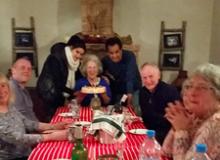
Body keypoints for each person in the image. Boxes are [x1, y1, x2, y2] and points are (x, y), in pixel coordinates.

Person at [0, 73, 68, 160]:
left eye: (3, 86)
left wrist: (54, 126)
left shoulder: (10, 106)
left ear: (8, 88)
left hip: (27, 153)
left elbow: (28, 123)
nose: (1, 91)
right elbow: (18, 138)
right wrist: (52, 136)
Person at [162, 63, 220, 160]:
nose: (192, 93)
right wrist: (176, 126)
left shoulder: (216, 123)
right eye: (189, 86)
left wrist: (181, 130)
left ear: (217, 95)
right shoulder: (197, 116)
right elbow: (166, 151)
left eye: (202, 87)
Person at [37, 35, 86, 121]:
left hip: (59, 95)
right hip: (49, 94)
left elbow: (79, 76)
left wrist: (90, 83)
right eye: (77, 52)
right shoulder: (55, 58)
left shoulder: (75, 62)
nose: (79, 56)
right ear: (70, 48)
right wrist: (73, 93)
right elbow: (58, 82)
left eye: (81, 54)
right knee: (52, 120)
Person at [139, 63, 180, 145]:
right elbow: (145, 115)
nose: (148, 81)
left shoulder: (170, 91)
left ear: (158, 76)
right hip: (148, 130)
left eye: (151, 76)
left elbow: (173, 119)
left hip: (165, 134)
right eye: (144, 78)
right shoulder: (142, 92)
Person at [102, 37, 141, 110]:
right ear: (107, 53)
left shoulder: (130, 56)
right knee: (115, 110)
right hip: (119, 91)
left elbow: (130, 76)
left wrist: (129, 96)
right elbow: (99, 72)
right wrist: (103, 76)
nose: (114, 56)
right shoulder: (105, 60)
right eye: (111, 53)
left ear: (121, 49)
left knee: (135, 109)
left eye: (117, 52)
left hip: (133, 89)